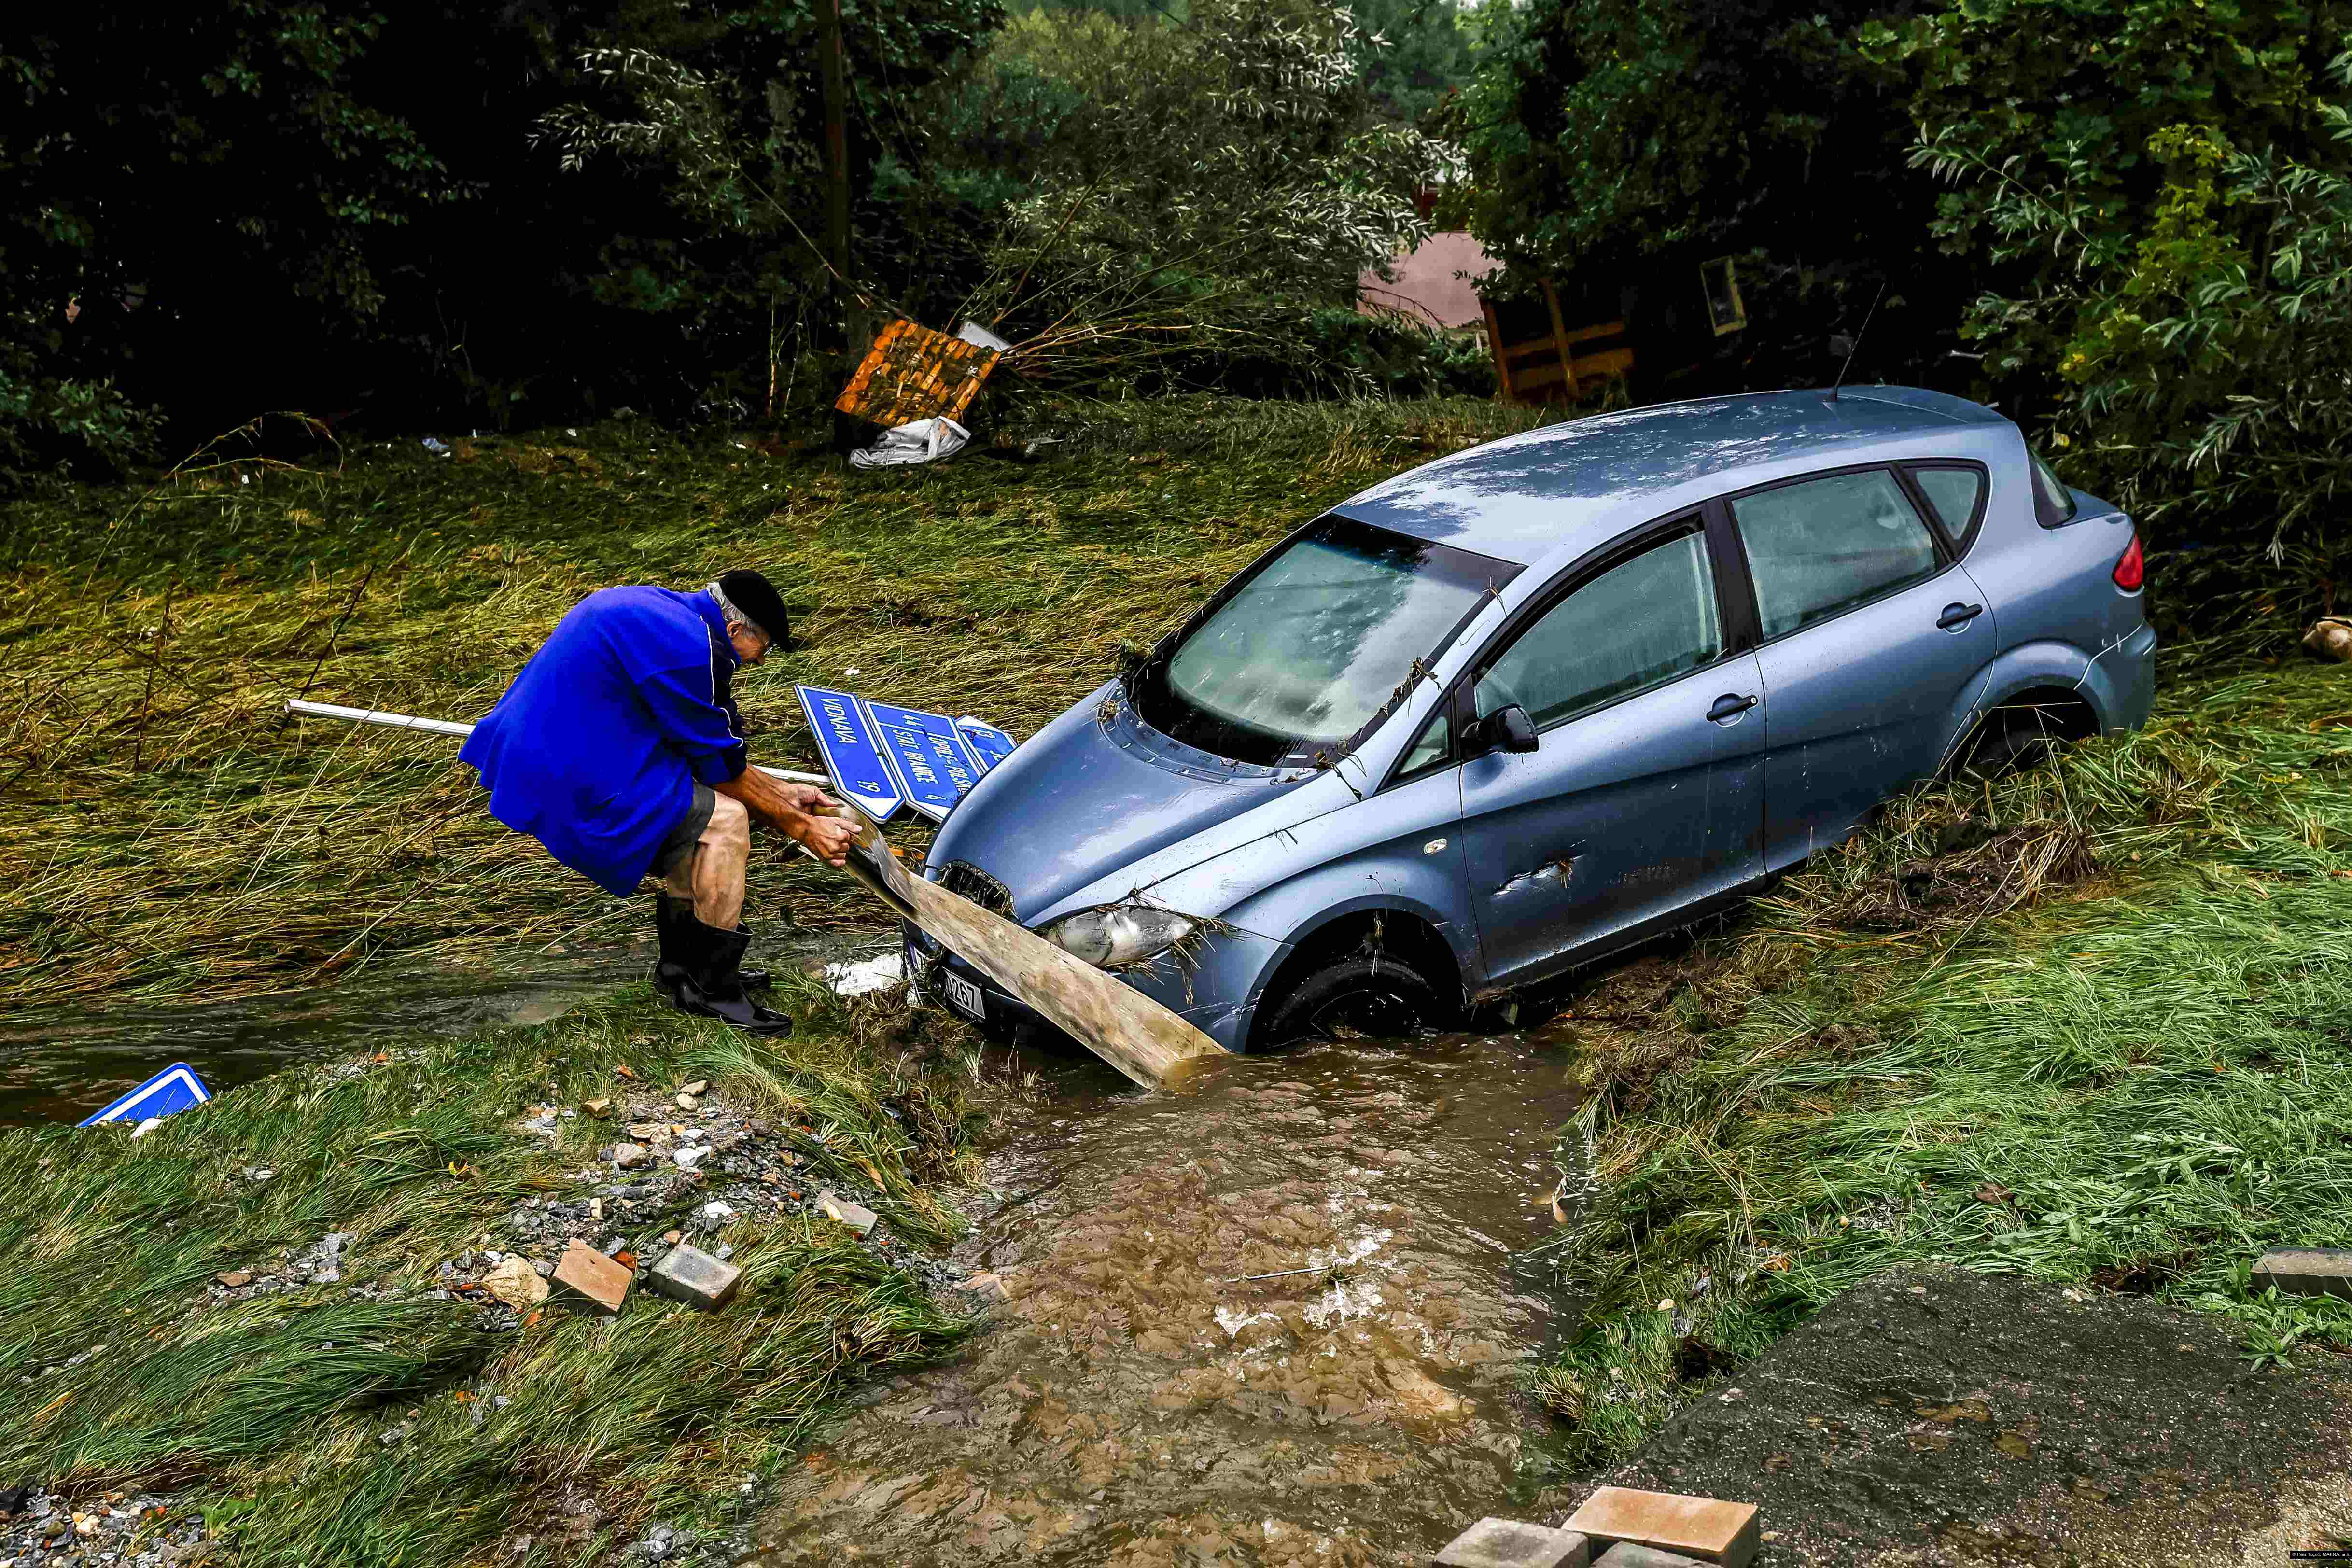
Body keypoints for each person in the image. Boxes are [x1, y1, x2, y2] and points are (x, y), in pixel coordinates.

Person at [458, 570, 858, 1034]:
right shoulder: (689, 649)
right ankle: (714, 989)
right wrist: (802, 826)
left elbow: (711, 745)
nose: (761, 660)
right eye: (763, 647)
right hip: (567, 769)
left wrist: (783, 794)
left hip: (565, 745)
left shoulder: (665, 613)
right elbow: (713, 763)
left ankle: (682, 972)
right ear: (734, 631)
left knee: (699, 815)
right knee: (725, 822)